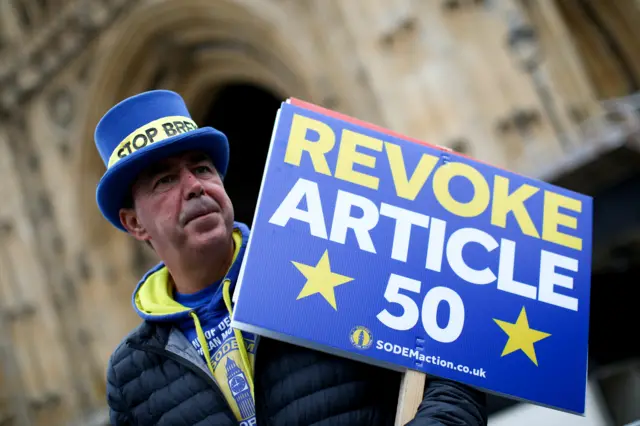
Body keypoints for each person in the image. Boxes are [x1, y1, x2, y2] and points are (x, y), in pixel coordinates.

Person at [95, 90, 487, 426]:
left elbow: (452, 371)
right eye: (165, 180)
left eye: (202, 168)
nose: (195, 186)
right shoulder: (131, 372)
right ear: (134, 223)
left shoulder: (334, 262)